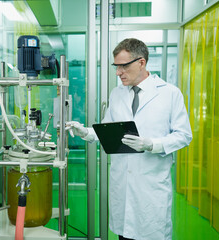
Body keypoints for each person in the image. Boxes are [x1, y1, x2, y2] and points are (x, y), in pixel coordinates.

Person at [67, 38, 192, 240]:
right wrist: (86, 132)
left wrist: (152, 144)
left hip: (151, 187)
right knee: (124, 236)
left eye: (123, 66)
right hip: (122, 185)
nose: (118, 73)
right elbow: (109, 129)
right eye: (116, 67)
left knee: (151, 233)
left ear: (141, 62)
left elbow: (184, 135)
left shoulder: (169, 94)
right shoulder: (117, 94)